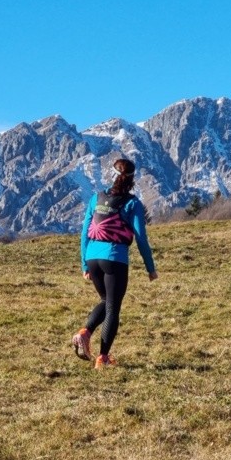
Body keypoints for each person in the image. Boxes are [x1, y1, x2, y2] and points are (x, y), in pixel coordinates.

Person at [72, 157, 157, 369]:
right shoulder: (132, 203)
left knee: (105, 300)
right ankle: (103, 358)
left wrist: (84, 264)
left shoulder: (96, 198)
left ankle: (84, 333)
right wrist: (150, 268)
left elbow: (84, 233)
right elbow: (141, 238)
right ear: (132, 179)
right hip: (115, 258)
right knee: (112, 307)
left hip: (92, 257)